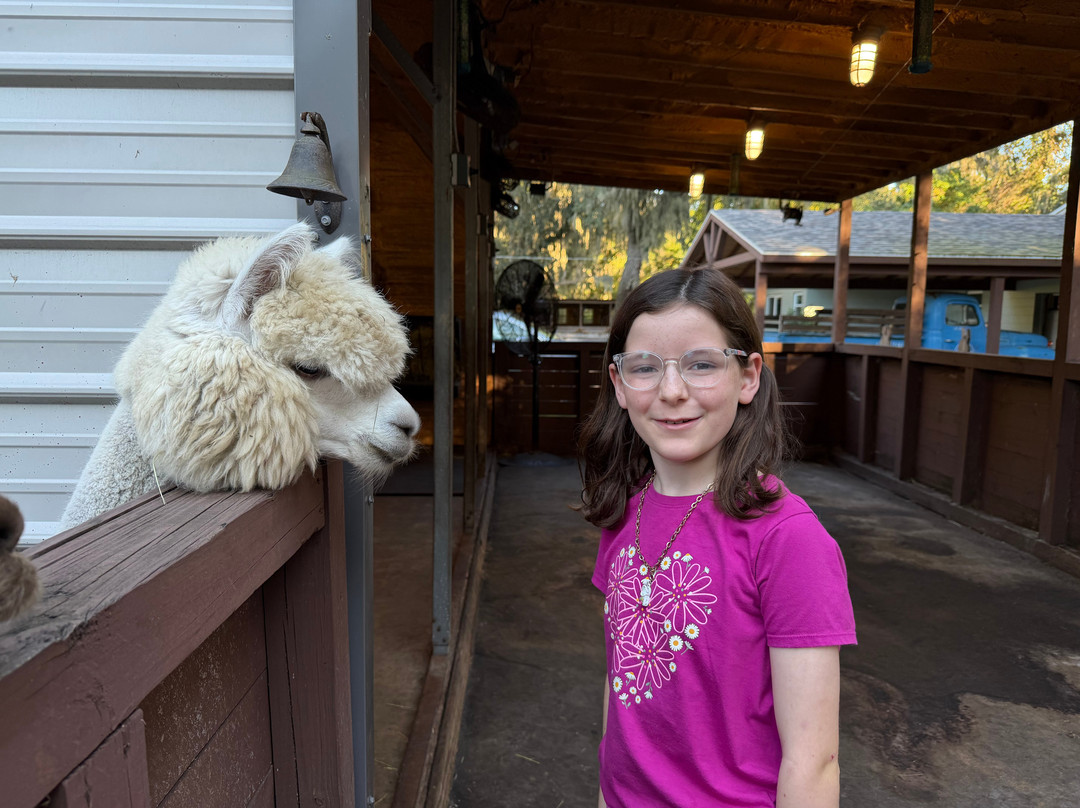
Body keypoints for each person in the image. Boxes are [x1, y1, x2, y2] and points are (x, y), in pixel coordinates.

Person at [578, 267, 857, 808]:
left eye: (702, 364)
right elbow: (620, 679)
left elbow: (813, 762)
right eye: (645, 368)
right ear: (618, 383)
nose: (672, 391)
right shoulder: (623, 511)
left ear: (748, 377)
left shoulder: (788, 540)